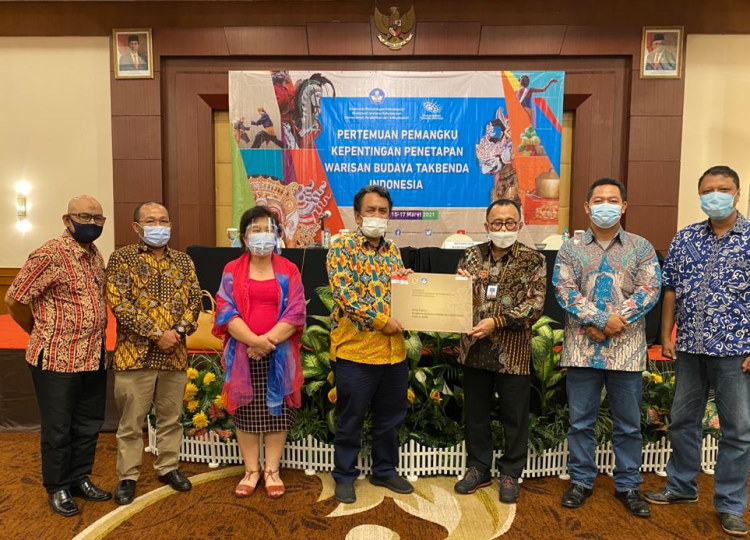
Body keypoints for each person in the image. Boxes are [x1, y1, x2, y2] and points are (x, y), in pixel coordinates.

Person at [644, 165, 750, 537]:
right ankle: (681, 486)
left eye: (723, 189)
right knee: (683, 420)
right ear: (700, 195)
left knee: (737, 430)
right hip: (689, 346)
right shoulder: (685, 238)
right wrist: (665, 335)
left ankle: (730, 504)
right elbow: (670, 289)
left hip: (735, 350)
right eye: (708, 190)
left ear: (737, 193)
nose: (715, 195)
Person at [553, 178, 661, 518]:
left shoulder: (641, 247)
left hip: (626, 350)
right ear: (587, 207)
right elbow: (564, 290)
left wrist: (613, 322)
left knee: (628, 423)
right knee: (580, 422)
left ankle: (628, 485)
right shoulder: (570, 248)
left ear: (624, 206)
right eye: (598, 200)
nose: (606, 205)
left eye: (613, 200)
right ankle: (581, 481)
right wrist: (601, 320)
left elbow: (649, 290)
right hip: (582, 348)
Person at [5, 195, 111, 517]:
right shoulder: (49, 254)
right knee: (58, 428)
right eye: (84, 216)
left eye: (98, 219)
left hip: (92, 356)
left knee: (88, 424)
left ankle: (79, 478)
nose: (92, 223)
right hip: (56, 359)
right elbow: (14, 299)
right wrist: (39, 330)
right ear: (67, 219)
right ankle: (58, 486)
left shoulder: (95, 255)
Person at [106, 202, 201, 505]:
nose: (158, 226)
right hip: (135, 357)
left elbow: (195, 301)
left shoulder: (184, 261)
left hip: (174, 355)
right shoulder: (121, 258)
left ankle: (168, 467)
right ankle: (128, 476)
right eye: (150, 221)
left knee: (171, 418)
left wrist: (178, 332)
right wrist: (158, 334)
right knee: (131, 423)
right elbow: (119, 304)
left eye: (163, 221)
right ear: (136, 227)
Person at [454, 199, 546, 503]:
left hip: (513, 353)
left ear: (519, 224)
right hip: (474, 348)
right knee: (475, 413)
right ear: (486, 226)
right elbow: (457, 298)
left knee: (514, 415)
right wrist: (461, 290)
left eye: (509, 222)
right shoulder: (471, 255)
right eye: (497, 223)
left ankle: (510, 472)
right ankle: (478, 468)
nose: (503, 228)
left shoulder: (533, 259)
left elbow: (535, 305)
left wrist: (498, 321)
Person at [326, 185, 414, 504]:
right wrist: (380, 321)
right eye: (371, 210)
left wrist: (406, 284)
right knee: (350, 418)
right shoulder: (342, 247)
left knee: (390, 418)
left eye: (383, 211)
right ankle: (344, 475)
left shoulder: (393, 250)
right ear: (357, 215)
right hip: (356, 350)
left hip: (393, 354)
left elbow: (395, 294)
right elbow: (344, 294)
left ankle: (384, 470)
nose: (377, 216)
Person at [212, 205, 306, 499]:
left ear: (277, 235)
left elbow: (296, 312)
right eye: (256, 229)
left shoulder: (289, 269)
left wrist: (266, 343)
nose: (263, 235)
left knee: (277, 414)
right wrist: (253, 341)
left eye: (268, 229)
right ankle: (251, 470)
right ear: (244, 237)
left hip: (280, 354)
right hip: (243, 355)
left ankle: (272, 471)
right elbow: (225, 310)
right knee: (247, 413)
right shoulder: (232, 269)